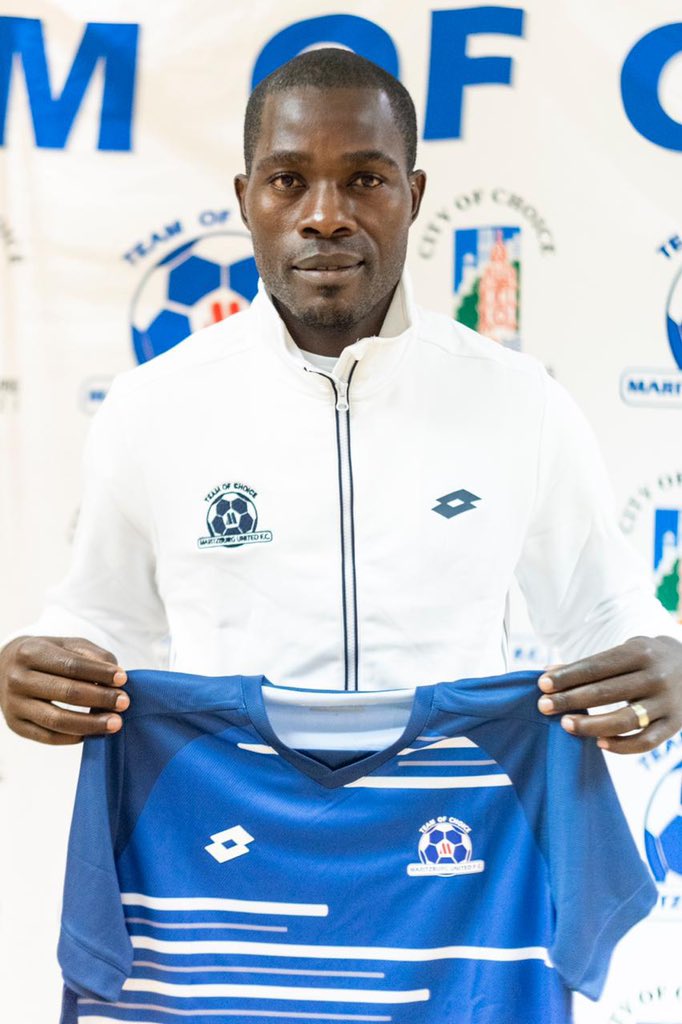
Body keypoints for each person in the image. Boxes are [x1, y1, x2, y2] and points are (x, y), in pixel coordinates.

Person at [1, 48, 681, 755]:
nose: (325, 216)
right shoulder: (152, 407)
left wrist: (662, 654)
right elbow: (104, 618)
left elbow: (600, 606)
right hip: (230, 810)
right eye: (288, 181)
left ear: (413, 196)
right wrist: (41, 662)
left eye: (365, 180)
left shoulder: (520, 401)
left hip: (453, 809)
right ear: (245, 199)